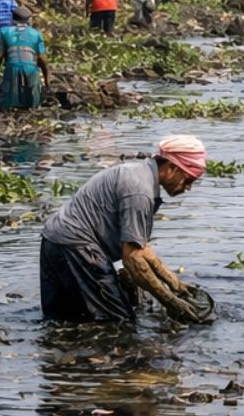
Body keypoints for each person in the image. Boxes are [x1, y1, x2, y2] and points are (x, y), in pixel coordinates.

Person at [39, 136, 210, 324]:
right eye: (188, 180)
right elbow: (133, 260)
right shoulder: (140, 190)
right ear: (171, 168)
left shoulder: (139, 174)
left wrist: (174, 284)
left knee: (64, 320)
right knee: (119, 323)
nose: (188, 188)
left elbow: (140, 246)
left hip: (54, 240)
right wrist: (171, 302)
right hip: (77, 246)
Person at [0, 6, 49, 110]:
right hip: (31, 68)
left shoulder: (4, 31)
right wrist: (46, 79)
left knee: (7, 104)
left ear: (12, 19)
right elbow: (42, 59)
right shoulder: (36, 34)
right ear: (29, 20)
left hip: (11, 67)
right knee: (33, 103)